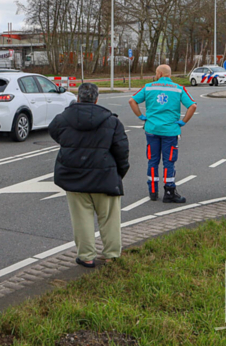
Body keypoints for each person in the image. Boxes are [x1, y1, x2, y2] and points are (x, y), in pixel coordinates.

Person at [49, 82, 130, 268]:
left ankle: (86, 256)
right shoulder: (112, 121)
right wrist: (119, 172)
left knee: (81, 218)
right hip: (105, 176)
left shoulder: (63, 118)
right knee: (109, 218)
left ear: (78, 98)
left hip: (74, 176)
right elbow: (122, 150)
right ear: (96, 99)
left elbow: (54, 132)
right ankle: (111, 254)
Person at [128, 64, 197, 204]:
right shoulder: (179, 89)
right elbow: (193, 106)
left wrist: (141, 116)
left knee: (152, 160)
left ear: (159, 73)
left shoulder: (148, 87)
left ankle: (153, 191)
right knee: (169, 161)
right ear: (169, 75)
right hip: (170, 131)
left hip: (152, 129)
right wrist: (183, 122)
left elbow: (132, 101)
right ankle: (169, 192)